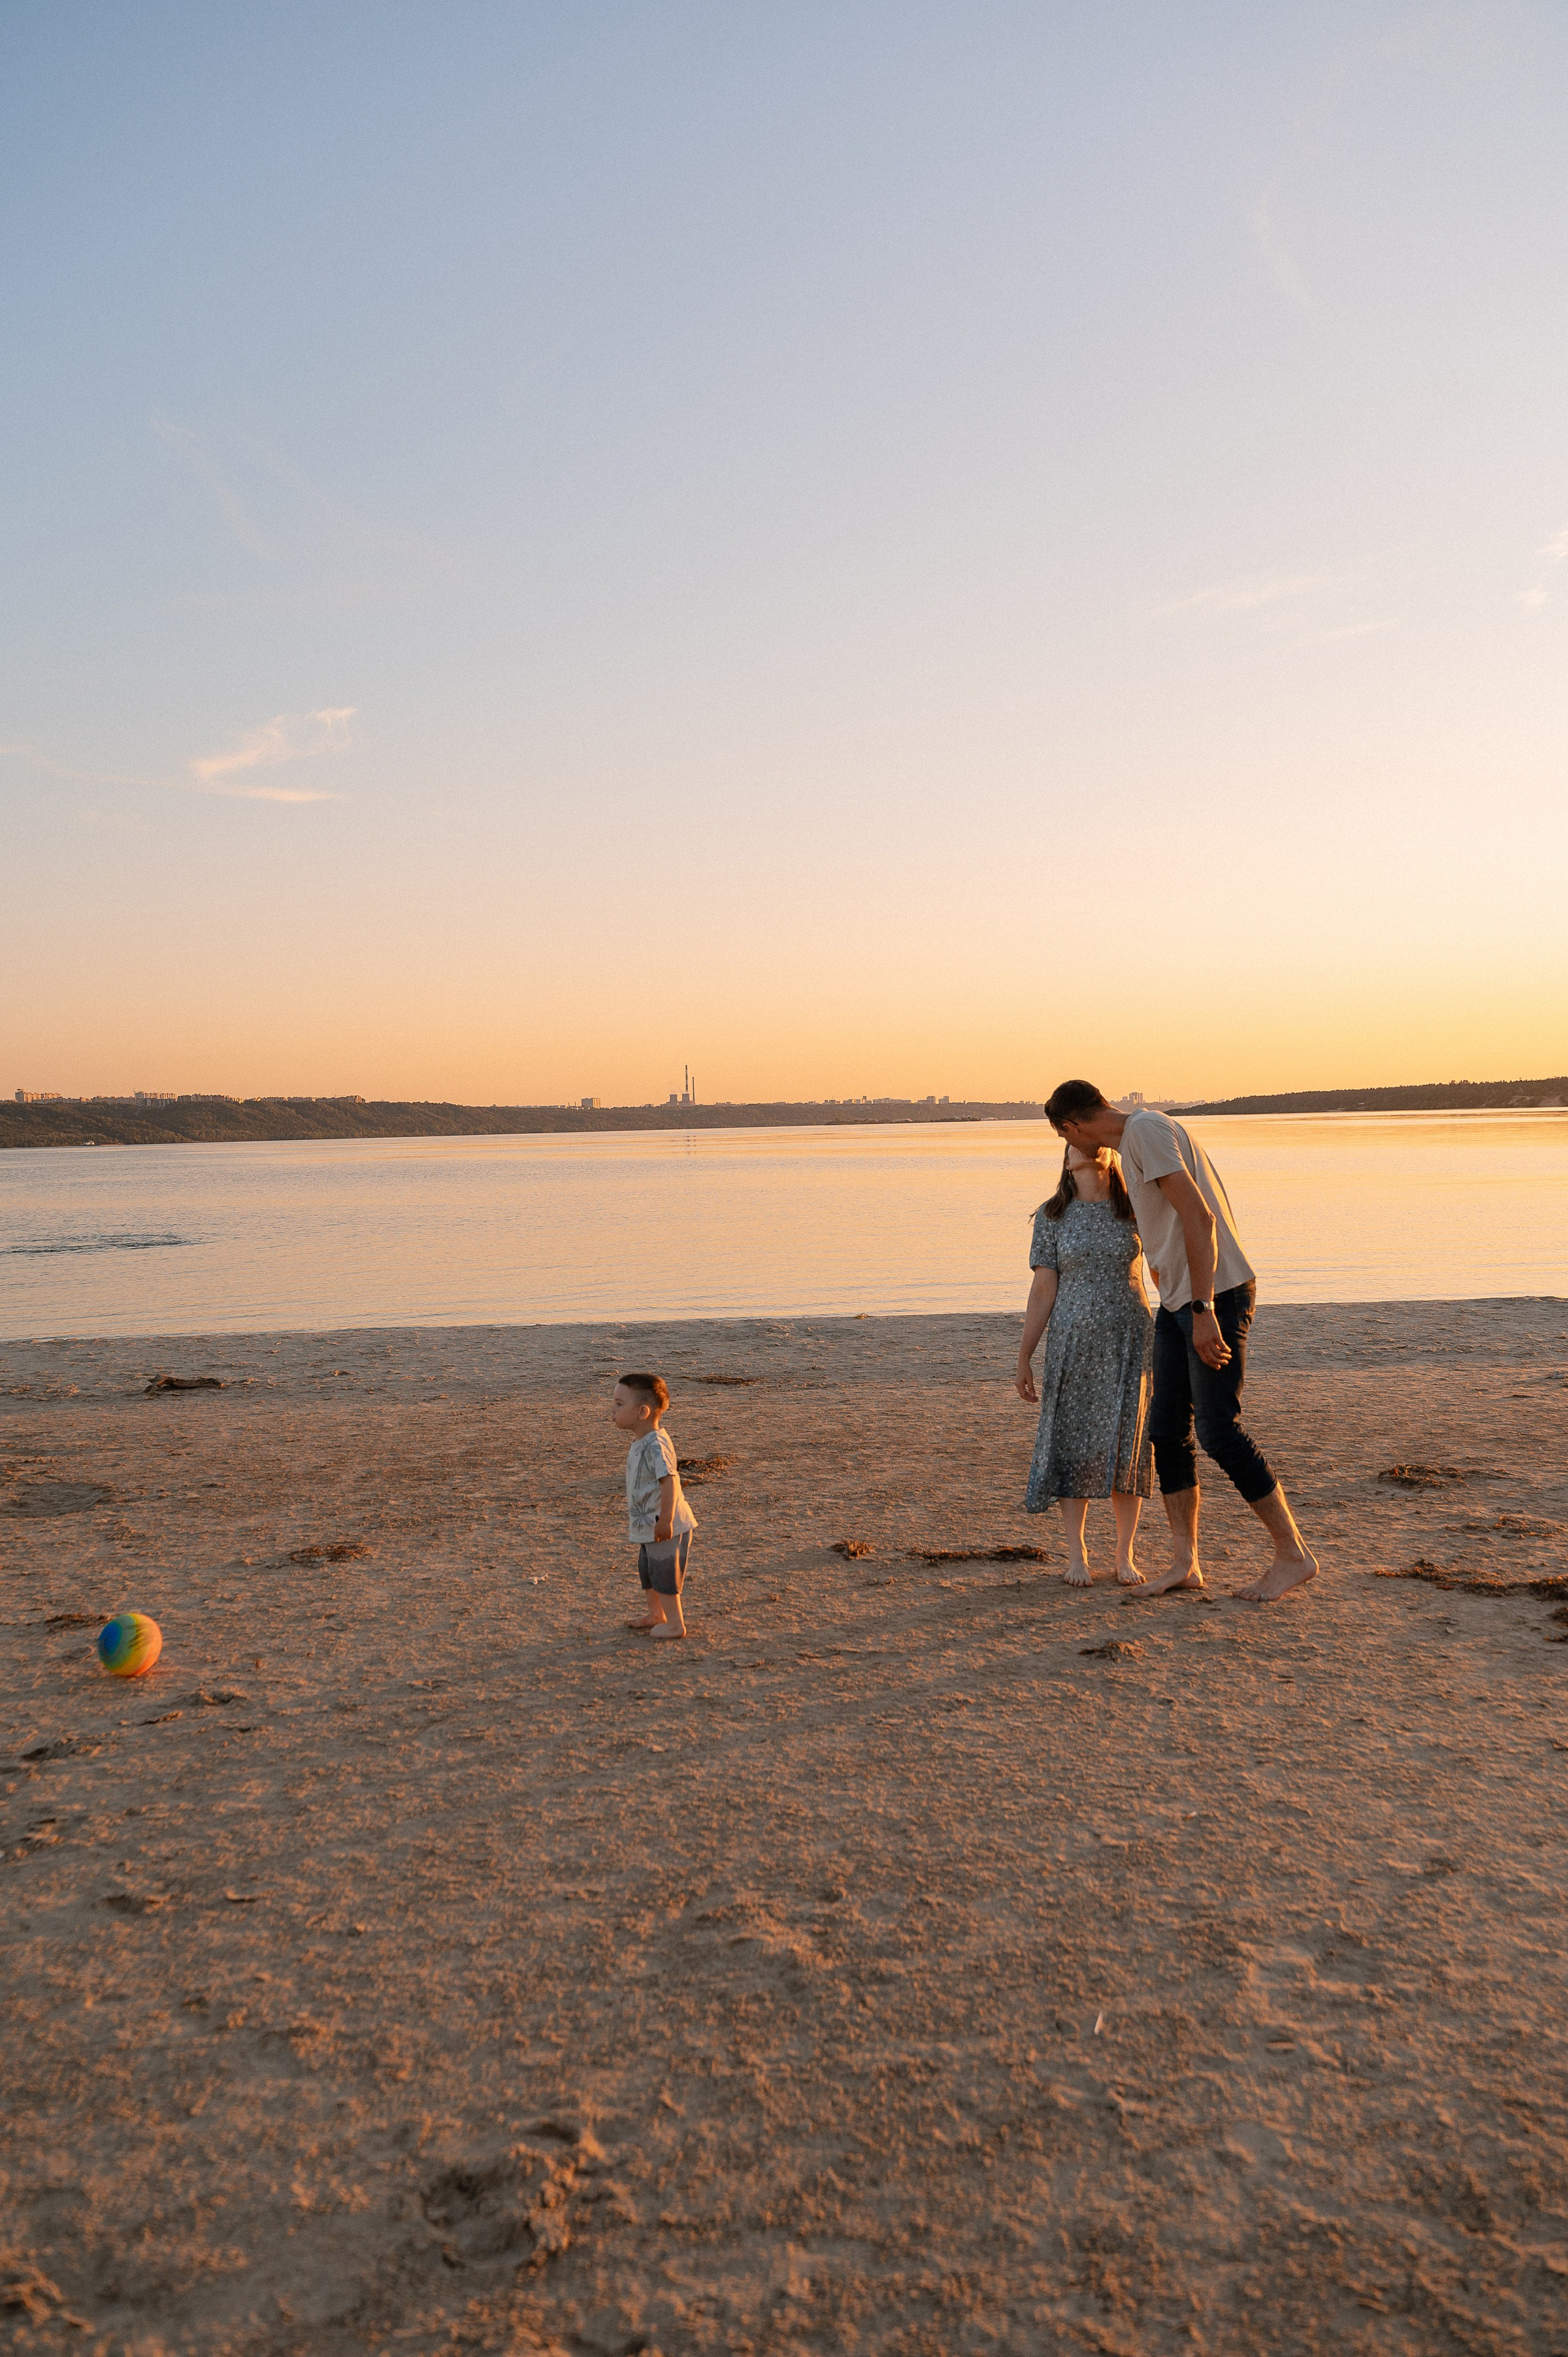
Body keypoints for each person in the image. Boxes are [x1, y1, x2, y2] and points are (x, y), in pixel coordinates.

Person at [1043, 1080, 1317, 1604]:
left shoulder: (1144, 1132)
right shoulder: (1144, 1135)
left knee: (1218, 1430)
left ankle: (1293, 1554)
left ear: (1072, 1128)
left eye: (1063, 1137)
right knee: (1167, 1432)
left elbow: (1200, 1216)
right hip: (1178, 1302)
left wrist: (1204, 1308)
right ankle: (1184, 1564)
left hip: (1211, 1298)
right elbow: (1175, 1220)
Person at [1015, 1141, 1153, 1584]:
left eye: (1097, 1142)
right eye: (1075, 1141)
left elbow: (1164, 1268)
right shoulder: (1053, 1216)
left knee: (1125, 1445)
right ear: (1066, 1159)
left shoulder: (1136, 1209)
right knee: (1074, 1446)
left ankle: (1124, 1554)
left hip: (1132, 1341)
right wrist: (1025, 1355)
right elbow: (1042, 1291)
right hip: (1073, 1345)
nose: (1087, 1146)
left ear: (1113, 1155)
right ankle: (1077, 1554)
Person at [612, 1371, 697, 1640]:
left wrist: (666, 1521)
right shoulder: (641, 1442)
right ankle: (656, 1615)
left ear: (642, 1412)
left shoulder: (656, 1446)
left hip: (666, 1523)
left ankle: (675, 1625)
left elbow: (670, 1482)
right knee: (648, 1572)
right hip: (648, 1523)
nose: (611, 1410)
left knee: (663, 1575)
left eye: (618, 1404)